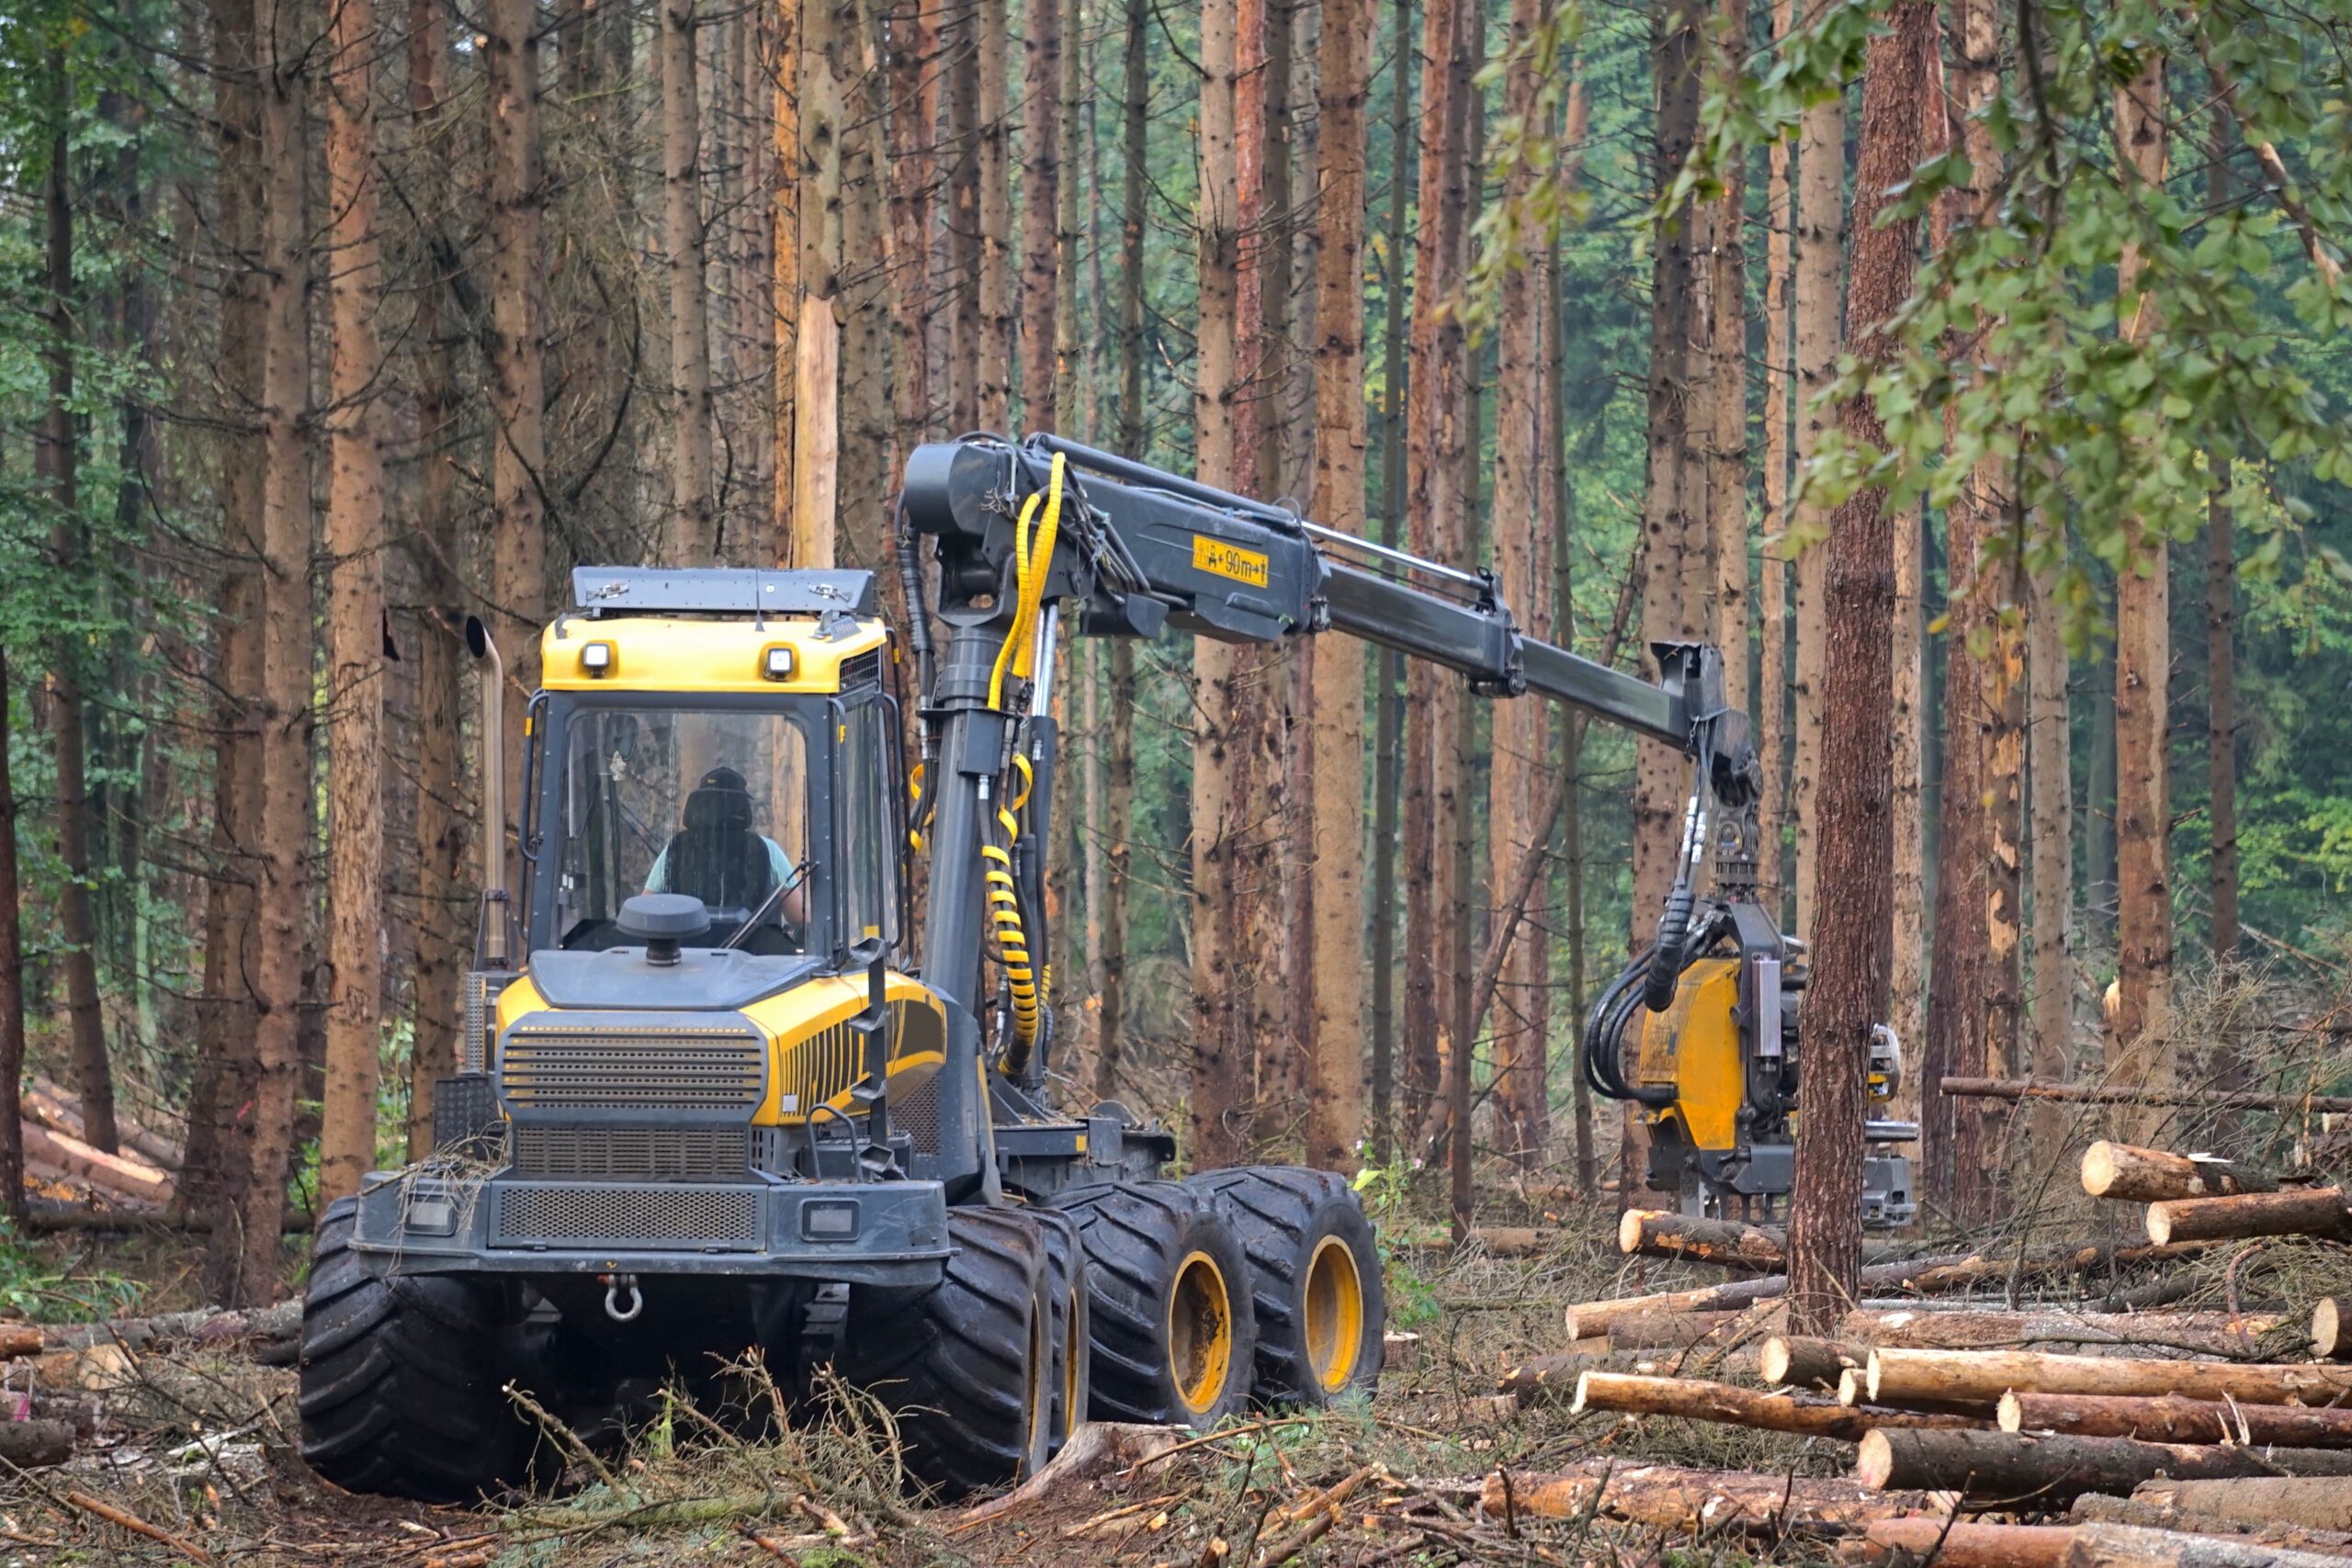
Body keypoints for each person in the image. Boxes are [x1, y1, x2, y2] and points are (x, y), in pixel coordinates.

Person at [644, 766, 806, 927]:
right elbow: (800, 916)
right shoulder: (768, 849)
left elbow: (644, 910)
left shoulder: (675, 848)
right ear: (743, 807)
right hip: (754, 950)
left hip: (684, 951)